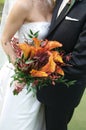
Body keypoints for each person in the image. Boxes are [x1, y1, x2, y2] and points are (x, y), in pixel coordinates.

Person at [0, 0, 55, 129]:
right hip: (22, 79)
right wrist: (22, 69)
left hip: (42, 79)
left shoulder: (52, 5)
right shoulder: (22, 5)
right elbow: (5, 40)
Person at [37, 0, 86, 130]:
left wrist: (42, 71)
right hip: (39, 87)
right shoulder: (57, 2)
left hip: (62, 90)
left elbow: (80, 61)